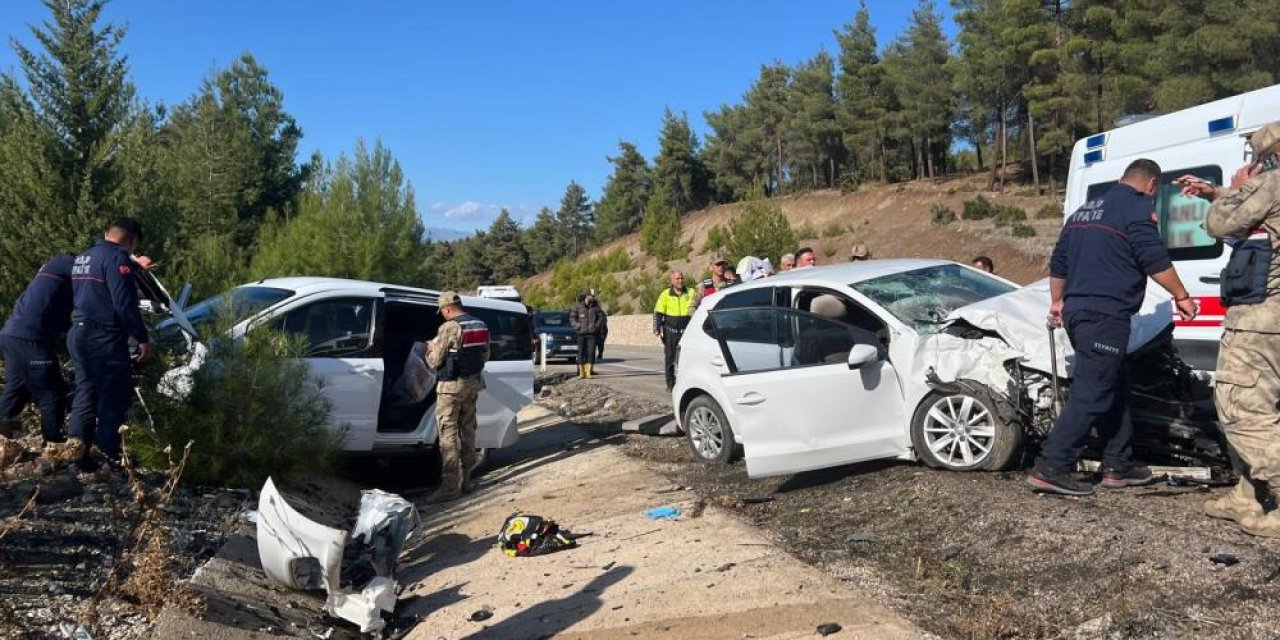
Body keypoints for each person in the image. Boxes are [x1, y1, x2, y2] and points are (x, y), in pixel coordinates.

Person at [1027, 159, 1197, 496]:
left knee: (1114, 384)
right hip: (1104, 315)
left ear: (1122, 178)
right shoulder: (1136, 208)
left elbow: (1059, 263)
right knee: (1092, 391)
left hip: (1078, 312)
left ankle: (1118, 464)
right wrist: (1181, 295)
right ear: (1151, 185)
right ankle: (1051, 465)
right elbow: (1153, 258)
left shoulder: (1083, 212)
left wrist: (1057, 301)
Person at [1178, 122, 1280, 537]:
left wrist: (1236, 189)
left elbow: (1220, 226)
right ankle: (1247, 494)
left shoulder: (1271, 183)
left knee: (1243, 410)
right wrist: (1219, 192)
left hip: (1262, 320)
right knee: (1265, 408)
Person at [68, 218, 154, 472]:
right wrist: (142, 338)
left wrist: (135, 266)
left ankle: (76, 456)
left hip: (79, 333)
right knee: (113, 398)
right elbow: (124, 304)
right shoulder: (118, 259)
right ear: (132, 241)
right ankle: (110, 459)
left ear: (108, 233)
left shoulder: (84, 257)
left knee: (85, 394)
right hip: (104, 339)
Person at [0, 253, 76, 443]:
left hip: (12, 334)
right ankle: (54, 443)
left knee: (17, 389)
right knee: (52, 392)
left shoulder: (51, 282)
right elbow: (92, 273)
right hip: (32, 338)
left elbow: (63, 322)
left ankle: (2, 436)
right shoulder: (64, 262)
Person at [425, 291, 490, 503]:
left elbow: (435, 361)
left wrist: (431, 349)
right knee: (468, 431)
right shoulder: (480, 324)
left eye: (442, 312)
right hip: (473, 384)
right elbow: (485, 355)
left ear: (447, 309)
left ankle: (450, 488)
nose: (443, 315)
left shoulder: (449, 327)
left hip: (451, 387)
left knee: (448, 435)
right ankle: (466, 481)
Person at [653, 270, 696, 392]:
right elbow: (658, 312)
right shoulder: (665, 294)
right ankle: (670, 384)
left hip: (687, 333)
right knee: (670, 359)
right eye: (677, 279)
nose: (680, 281)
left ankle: (688, 384)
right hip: (671, 332)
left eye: (682, 278)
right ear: (671, 281)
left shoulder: (691, 292)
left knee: (688, 359)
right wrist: (656, 328)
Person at [570, 290, 606, 378]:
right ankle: (581, 373)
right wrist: (578, 326)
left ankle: (588, 372)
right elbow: (572, 318)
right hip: (581, 334)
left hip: (592, 334)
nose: (593, 298)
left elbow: (601, 317)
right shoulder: (578, 306)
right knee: (581, 353)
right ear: (587, 296)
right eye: (592, 296)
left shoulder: (596, 307)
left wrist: (596, 326)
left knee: (591, 353)